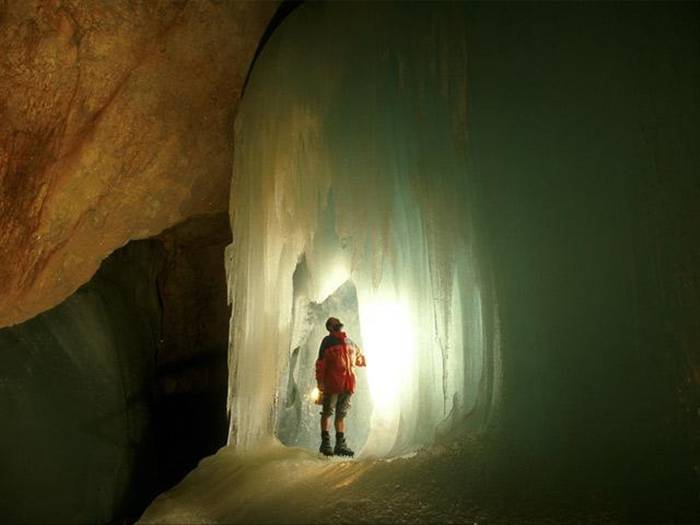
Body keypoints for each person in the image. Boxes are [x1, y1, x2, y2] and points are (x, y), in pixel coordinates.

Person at [315, 316, 366, 456]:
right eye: (335, 322)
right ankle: (326, 444)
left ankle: (339, 444)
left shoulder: (348, 341)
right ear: (330, 327)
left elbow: (360, 358)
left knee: (339, 414)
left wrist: (359, 359)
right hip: (334, 383)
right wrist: (320, 383)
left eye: (337, 322)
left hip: (346, 384)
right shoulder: (328, 341)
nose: (338, 324)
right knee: (329, 412)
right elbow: (321, 363)